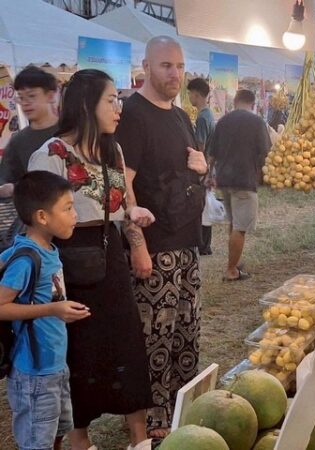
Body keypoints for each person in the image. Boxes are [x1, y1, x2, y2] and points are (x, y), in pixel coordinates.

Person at [28, 69, 155, 450]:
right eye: (111, 100)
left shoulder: (112, 150)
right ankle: (79, 438)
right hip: (66, 262)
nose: (118, 108)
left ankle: (139, 435)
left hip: (110, 252)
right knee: (78, 351)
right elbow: (38, 222)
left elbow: (126, 204)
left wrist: (137, 239)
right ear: (86, 105)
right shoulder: (50, 154)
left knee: (126, 341)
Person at [115, 36, 208, 437]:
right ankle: (153, 419)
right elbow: (123, 186)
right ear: (147, 67)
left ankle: (182, 407)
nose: (175, 74)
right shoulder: (134, 116)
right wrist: (138, 245)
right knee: (155, 336)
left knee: (186, 332)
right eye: (166, 65)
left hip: (186, 242)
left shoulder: (181, 115)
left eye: (180, 66)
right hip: (155, 249)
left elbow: (188, 169)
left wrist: (203, 168)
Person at [0, 171, 90, 450]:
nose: (75, 215)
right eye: (67, 208)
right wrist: (53, 309)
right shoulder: (27, 259)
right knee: (37, 441)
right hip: (33, 372)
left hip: (54, 365)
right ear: (42, 216)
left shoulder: (46, 249)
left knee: (56, 431)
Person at [207, 89, 270, 281]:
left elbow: (212, 153)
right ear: (253, 104)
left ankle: (233, 261)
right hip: (244, 180)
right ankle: (231, 270)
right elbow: (266, 152)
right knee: (240, 227)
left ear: (235, 102)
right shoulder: (257, 122)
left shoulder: (223, 121)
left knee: (234, 223)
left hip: (224, 179)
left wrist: (209, 175)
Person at [0, 67, 58, 198]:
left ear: (50, 96)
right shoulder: (18, 141)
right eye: (21, 98)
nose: (25, 103)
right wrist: (9, 188)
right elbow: (6, 180)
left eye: (31, 96)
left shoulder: (71, 131)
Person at [187, 77, 215, 256]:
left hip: (204, 167)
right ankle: (205, 244)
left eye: (190, 93)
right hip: (209, 166)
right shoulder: (208, 114)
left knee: (202, 206)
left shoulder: (203, 117)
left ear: (196, 95)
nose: (189, 97)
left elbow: (201, 146)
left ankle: (204, 245)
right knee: (205, 205)